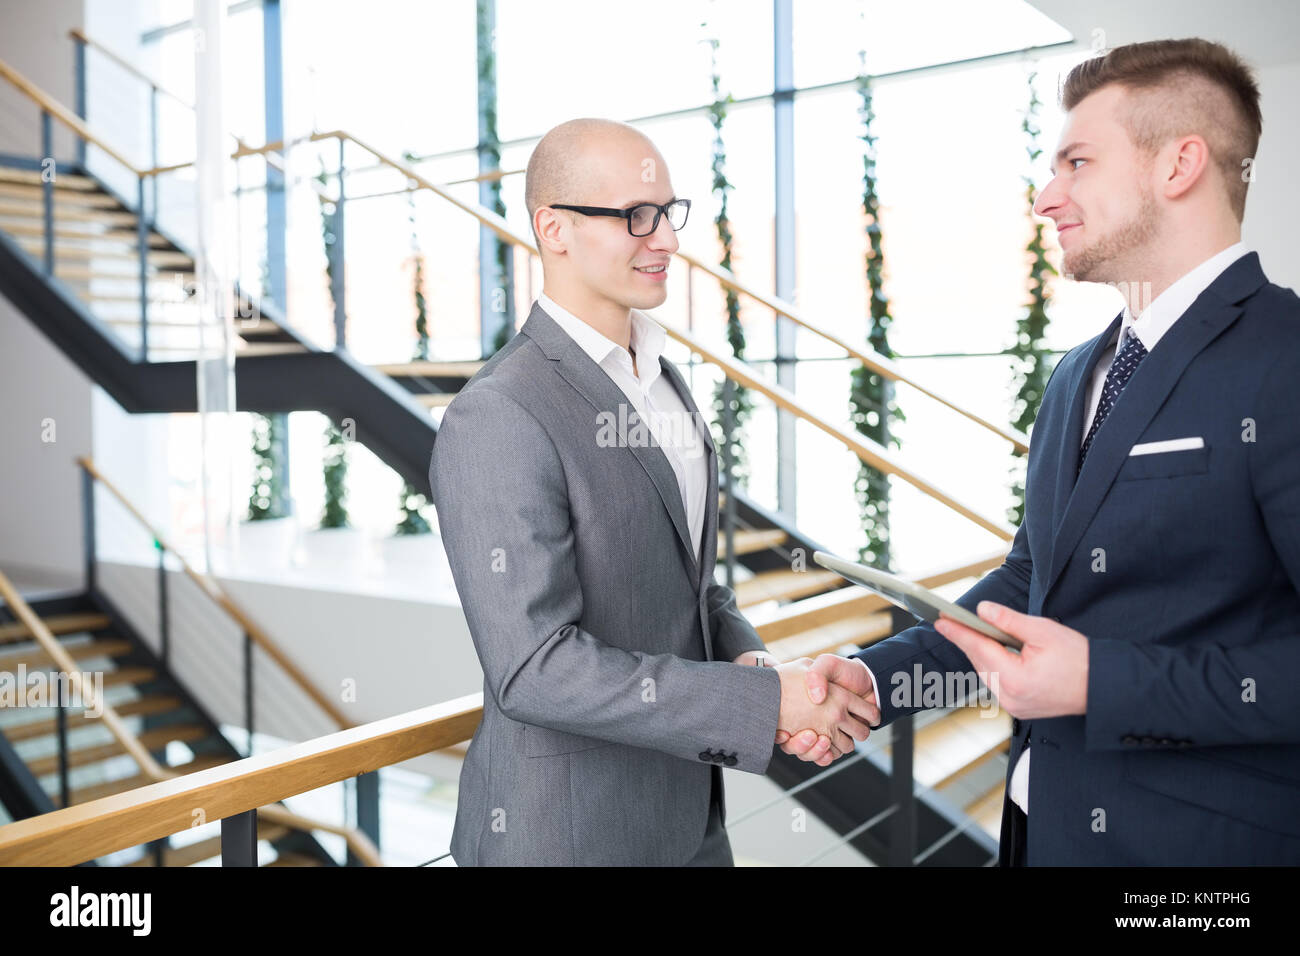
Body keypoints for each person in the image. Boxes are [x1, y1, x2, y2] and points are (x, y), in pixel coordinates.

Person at [780, 38, 1300, 865]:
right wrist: (878, 681)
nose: (1046, 197)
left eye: (1077, 163)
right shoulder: (1077, 373)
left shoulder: (1285, 357)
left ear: (1179, 165)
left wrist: (1100, 683)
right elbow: (1033, 582)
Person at [428, 117, 878, 866]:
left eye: (669, 212)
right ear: (554, 229)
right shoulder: (499, 412)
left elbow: (692, 589)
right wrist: (765, 705)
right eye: (637, 215)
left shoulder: (663, 379)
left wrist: (759, 673)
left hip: (691, 820)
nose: (665, 238)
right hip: (569, 839)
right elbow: (533, 669)